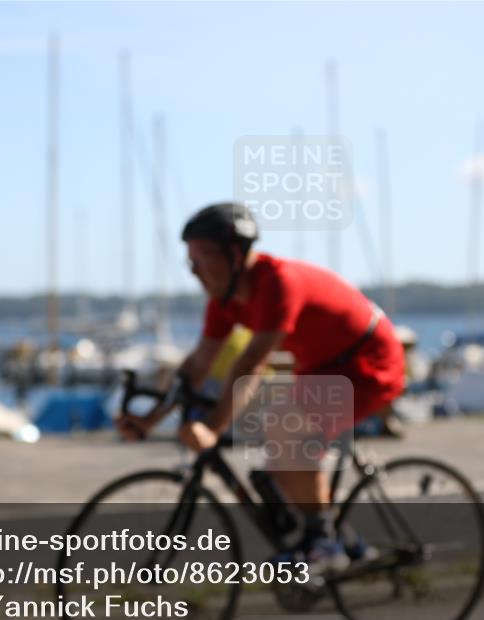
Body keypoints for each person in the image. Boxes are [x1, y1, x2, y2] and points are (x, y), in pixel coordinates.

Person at [116, 202, 405, 568]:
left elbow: (251, 363)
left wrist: (211, 427)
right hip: (323, 366)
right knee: (276, 455)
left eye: (200, 260)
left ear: (235, 255)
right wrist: (150, 419)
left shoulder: (278, 284)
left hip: (368, 362)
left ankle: (326, 546)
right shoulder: (224, 301)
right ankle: (349, 545)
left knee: (286, 429)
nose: (194, 272)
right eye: (188, 262)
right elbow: (198, 364)